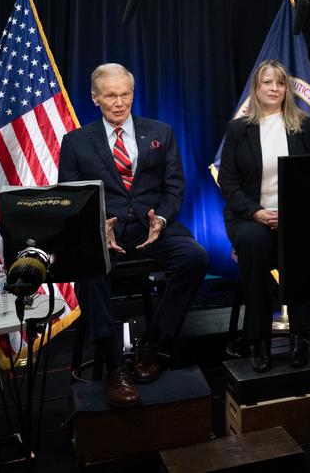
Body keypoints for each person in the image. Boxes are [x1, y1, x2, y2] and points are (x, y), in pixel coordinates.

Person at [58, 63, 209, 407]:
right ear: (95, 98)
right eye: (110, 95)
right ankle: (114, 365)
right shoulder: (76, 142)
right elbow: (68, 196)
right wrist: (96, 225)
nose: (119, 102)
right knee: (87, 265)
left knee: (195, 258)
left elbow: (174, 188)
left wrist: (164, 219)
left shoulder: (161, 132)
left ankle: (151, 344)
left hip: (151, 227)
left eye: (125, 94)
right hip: (105, 233)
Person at [217, 59, 310, 372]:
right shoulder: (238, 129)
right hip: (249, 217)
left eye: (279, 83)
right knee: (254, 243)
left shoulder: (303, 124)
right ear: (257, 87)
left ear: (286, 88)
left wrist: (289, 213)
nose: (273, 88)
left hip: (295, 215)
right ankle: (258, 340)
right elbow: (229, 182)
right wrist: (257, 213)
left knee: (300, 245)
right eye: (267, 82)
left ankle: (301, 336)